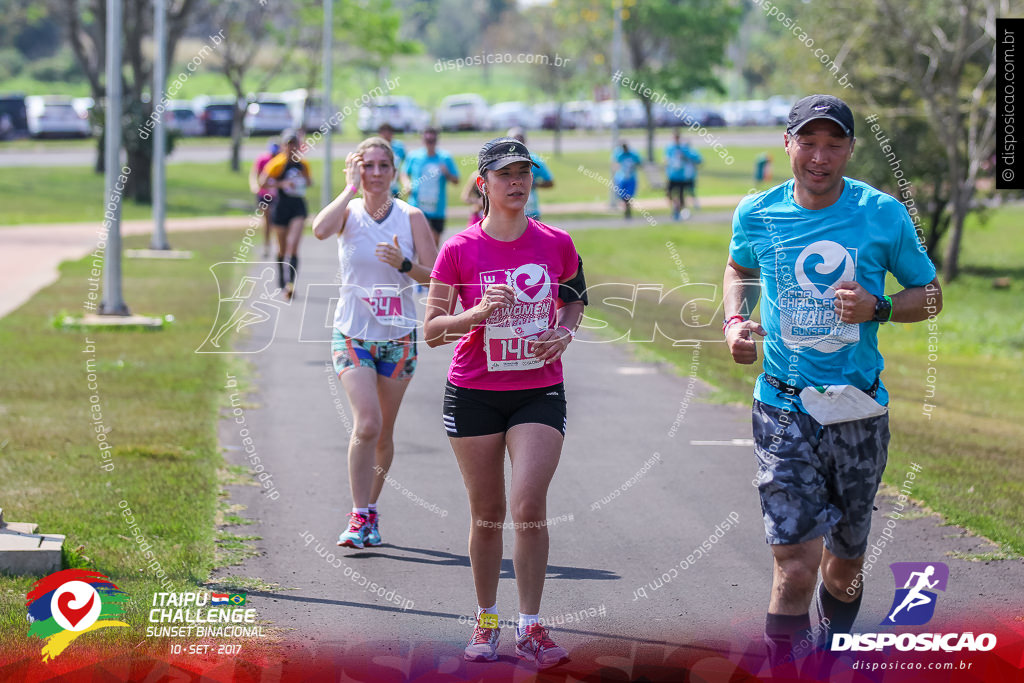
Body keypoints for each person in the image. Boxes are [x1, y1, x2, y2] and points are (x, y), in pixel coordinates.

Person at [722, 94, 942, 667]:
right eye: (808, 142)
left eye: (833, 143)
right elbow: (739, 267)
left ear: (849, 148)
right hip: (782, 405)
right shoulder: (758, 212)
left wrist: (881, 309)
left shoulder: (881, 214)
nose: (820, 156)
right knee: (793, 567)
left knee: (843, 564)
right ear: (787, 144)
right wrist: (735, 322)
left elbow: (931, 294)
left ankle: (832, 651)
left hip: (856, 409)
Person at [423, 136, 587, 670]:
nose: (517, 182)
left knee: (527, 505)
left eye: (524, 173)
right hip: (473, 393)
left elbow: (575, 299)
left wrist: (563, 332)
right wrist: (473, 317)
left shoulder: (557, 242)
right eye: (505, 174)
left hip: (538, 389)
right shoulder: (459, 249)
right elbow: (431, 331)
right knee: (488, 514)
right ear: (483, 183)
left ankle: (532, 625)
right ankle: (487, 618)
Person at [311, 136, 438, 550]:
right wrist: (347, 188)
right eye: (368, 166)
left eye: (384, 166)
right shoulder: (347, 213)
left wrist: (403, 264)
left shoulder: (411, 216)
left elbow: (438, 280)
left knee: (383, 433)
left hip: (398, 338)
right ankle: (358, 513)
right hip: (352, 334)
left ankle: (370, 512)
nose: (377, 174)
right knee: (367, 423)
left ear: (395, 171)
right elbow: (318, 230)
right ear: (357, 169)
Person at [259, 130, 313, 300]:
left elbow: (309, 181)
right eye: (288, 144)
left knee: (293, 244)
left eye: (294, 144)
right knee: (282, 247)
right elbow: (263, 181)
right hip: (281, 206)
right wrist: (282, 184)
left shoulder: (303, 164)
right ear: (283, 146)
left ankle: (292, 284)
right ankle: (282, 281)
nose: (291, 147)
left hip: (297, 206)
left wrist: (301, 182)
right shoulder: (277, 164)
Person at [401, 127, 459, 246]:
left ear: (436, 140)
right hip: (417, 207)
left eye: (432, 140)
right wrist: (407, 184)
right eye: (427, 140)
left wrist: (447, 173)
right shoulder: (414, 156)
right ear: (422, 140)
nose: (429, 143)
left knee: (433, 243)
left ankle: (431, 265)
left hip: (437, 209)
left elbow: (456, 180)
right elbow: (404, 173)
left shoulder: (445, 157)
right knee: (415, 243)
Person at [507, 127, 553, 220]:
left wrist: (533, 184)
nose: (518, 142)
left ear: (525, 141)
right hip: (508, 211)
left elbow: (550, 182)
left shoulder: (535, 160)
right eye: (515, 140)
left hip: (531, 211)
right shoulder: (501, 162)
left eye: (520, 140)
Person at [249, 140, 280, 258]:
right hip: (264, 194)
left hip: (277, 195)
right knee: (267, 221)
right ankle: (267, 245)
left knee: (277, 221)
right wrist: (254, 186)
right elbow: (254, 174)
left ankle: (278, 245)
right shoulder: (263, 159)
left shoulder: (280, 161)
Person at [664, 129, 702, 220]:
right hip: (672, 175)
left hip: (681, 176)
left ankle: (678, 212)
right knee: (668, 194)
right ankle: (676, 206)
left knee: (681, 195)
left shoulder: (683, 148)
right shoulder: (670, 148)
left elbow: (694, 158)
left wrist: (686, 158)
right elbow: (667, 159)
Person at [612, 141, 643, 219]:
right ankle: (627, 209)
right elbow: (615, 164)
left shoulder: (633, 155)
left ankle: (628, 211)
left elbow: (640, 163)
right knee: (622, 196)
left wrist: (634, 166)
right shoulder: (619, 154)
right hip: (621, 179)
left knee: (628, 197)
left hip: (631, 178)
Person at [378, 123, 406, 197]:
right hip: (380, 185)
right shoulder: (377, 148)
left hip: (394, 186)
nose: (386, 136)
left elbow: (405, 161)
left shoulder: (399, 147)